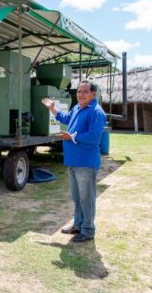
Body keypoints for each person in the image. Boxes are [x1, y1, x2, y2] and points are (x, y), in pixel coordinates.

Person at [41, 81, 106, 242]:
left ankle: (88, 230)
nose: (80, 95)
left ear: (93, 94)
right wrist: (52, 108)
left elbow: (93, 137)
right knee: (77, 197)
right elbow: (65, 117)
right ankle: (78, 224)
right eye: (78, 91)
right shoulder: (77, 108)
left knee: (87, 198)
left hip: (86, 163)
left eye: (85, 92)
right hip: (73, 161)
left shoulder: (96, 112)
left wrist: (71, 137)